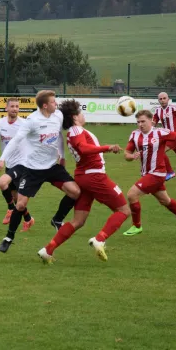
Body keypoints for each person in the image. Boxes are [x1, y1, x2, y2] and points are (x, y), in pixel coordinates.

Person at [37, 99, 131, 263]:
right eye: (81, 111)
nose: (83, 114)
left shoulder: (75, 130)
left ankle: (48, 250)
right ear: (75, 116)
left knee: (78, 221)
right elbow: (83, 148)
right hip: (94, 176)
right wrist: (107, 147)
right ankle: (100, 239)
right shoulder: (75, 130)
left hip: (85, 177)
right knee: (124, 211)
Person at [0, 90, 81, 253]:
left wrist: (61, 155)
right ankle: (9, 237)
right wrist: (1, 160)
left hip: (52, 167)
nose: (57, 104)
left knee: (75, 192)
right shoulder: (32, 121)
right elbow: (15, 141)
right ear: (45, 105)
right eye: (54, 102)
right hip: (32, 169)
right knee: (20, 205)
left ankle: (57, 219)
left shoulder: (58, 116)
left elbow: (59, 136)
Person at [122, 109, 176, 237]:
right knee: (165, 200)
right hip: (146, 174)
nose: (140, 124)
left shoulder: (160, 132)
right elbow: (126, 154)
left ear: (151, 121)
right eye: (138, 122)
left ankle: (136, 226)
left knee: (131, 194)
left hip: (158, 173)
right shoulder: (135, 135)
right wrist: (132, 156)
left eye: (143, 121)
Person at [0, 98, 34, 229]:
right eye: (12, 106)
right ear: (6, 108)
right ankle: (28, 219)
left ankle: (10, 210)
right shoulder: (0, 123)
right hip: (9, 163)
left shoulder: (24, 124)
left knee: (2, 183)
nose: (15, 109)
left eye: (17, 106)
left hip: (22, 163)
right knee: (16, 199)